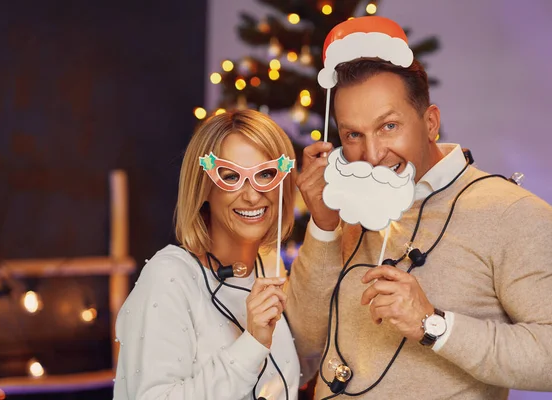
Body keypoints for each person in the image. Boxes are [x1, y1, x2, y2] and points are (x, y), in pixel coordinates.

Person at [287, 16, 552, 399]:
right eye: (353, 135)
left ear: (430, 122)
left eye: (389, 126)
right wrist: (324, 226)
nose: (374, 154)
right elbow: (305, 343)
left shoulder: (511, 213)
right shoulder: (351, 205)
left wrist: (433, 325)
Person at [112, 109, 300, 400]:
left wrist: (325, 229)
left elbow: (305, 364)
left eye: (265, 174)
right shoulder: (170, 278)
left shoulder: (270, 267)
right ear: (204, 188)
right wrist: (251, 345)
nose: (252, 196)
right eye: (231, 177)